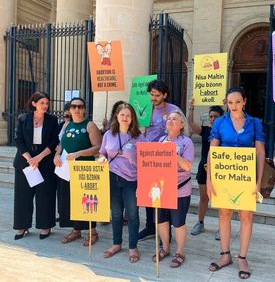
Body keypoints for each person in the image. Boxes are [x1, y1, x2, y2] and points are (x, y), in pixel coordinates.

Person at [207, 87, 265, 280]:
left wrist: (258, 182)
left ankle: (242, 258)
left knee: (246, 216)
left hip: (246, 176)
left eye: (237, 102)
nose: (233, 106)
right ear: (226, 103)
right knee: (224, 214)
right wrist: (209, 180)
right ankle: (225, 255)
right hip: (224, 176)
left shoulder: (255, 123)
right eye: (230, 102)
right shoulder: (220, 123)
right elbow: (212, 152)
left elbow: (260, 153)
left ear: (244, 102)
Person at [98, 103, 146, 263]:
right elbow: (102, 152)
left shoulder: (139, 137)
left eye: (128, 115)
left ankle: (133, 246)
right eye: (122, 115)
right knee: (116, 213)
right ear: (117, 116)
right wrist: (102, 158)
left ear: (132, 118)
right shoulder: (108, 135)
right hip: (112, 178)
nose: (125, 118)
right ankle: (116, 244)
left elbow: (146, 160)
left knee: (132, 214)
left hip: (132, 180)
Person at [54, 97, 102, 246]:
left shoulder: (90, 125)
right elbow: (61, 144)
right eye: (74, 106)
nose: (77, 109)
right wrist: (56, 155)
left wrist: (79, 153)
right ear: (69, 109)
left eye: (80, 106)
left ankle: (92, 231)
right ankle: (76, 230)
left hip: (84, 170)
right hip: (66, 170)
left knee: (85, 201)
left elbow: (98, 147)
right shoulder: (67, 124)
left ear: (84, 109)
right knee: (70, 200)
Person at [139, 79, 183, 240]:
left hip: (166, 158)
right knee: (149, 194)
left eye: (157, 95)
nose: (153, 98)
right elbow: (142, 131)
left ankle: (166, 232)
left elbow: (186, 130)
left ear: (164, 95)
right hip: (148, 157)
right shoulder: (145, 109)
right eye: (151, 95)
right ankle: (150, 226)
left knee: (165, 196)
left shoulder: (174, 110)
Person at [13, 91, 59, 240]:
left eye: (47, 103)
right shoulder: (22, 118)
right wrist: (30, 159)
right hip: (25, 163)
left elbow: (53, 142)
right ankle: (22, 225)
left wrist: (38, 157)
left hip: (45, 162)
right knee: (23, 196)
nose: (45, 106)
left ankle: (45, 226)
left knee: (45, 195)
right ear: (34, 104)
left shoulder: (52, 120)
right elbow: (18, 140)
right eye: (42, 103)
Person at [153, 110, 194, 268]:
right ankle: (165, 247)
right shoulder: (160, 140)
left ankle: (180, 252)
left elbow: (188, 166)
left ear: (182, 124)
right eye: (169, 118)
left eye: (175, 119)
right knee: (162, 220)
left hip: (180, 188)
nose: (170, 121)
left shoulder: (186, 142)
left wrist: (173, 153)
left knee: (178, 222)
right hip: (162, 188)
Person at [188, 97, 224, 238]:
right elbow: (190, 123)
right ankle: (200, 222)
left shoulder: (225, 132)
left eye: (215, 116)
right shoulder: (206, 131)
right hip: (204, 168)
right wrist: (192, 107)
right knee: (203, 197)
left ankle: (222, 227)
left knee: (221, 199)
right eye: (211, 116)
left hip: (221, 169)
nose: (212, 119)